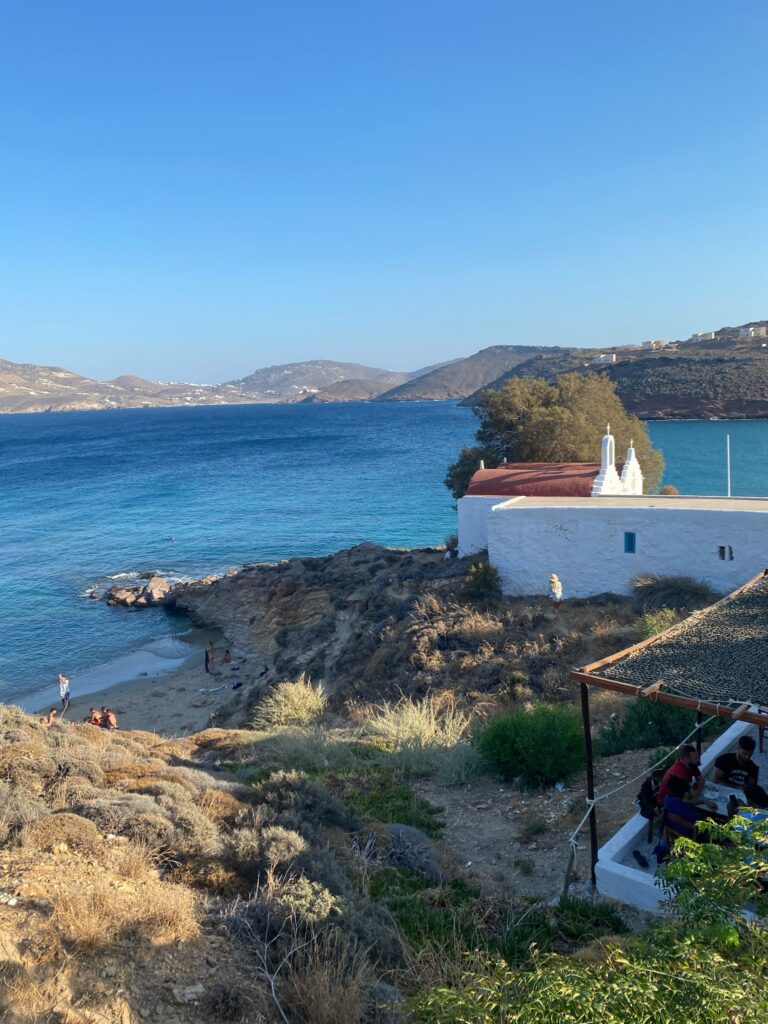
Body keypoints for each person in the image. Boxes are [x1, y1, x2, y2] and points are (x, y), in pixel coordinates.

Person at [662, 775, 717, 840]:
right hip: (688, 834)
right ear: (685, 794)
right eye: (690, 789)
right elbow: (700, 821)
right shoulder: (687, 810)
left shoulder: (668, 799)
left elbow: (685, 803)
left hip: (673, 827)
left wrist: (703, 801)